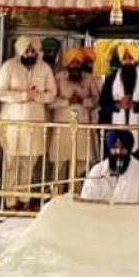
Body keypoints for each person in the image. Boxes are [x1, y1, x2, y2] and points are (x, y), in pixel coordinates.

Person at [0, 36, 57, 207]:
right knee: (11, 164)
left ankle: (25, 200)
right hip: (12, 124)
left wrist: (37, 96)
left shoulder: (44, 68)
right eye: (27, 50)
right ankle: (9, 202)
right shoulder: (9, 66)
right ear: (21, 51)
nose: (31, 54)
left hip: (34, 123)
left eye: (33, 51)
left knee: (29, 164)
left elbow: (52, 93)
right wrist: (23, 96)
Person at [49, 48, 101, 186]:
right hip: (62, 127)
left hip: (83, 127)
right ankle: (57, 198)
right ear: (67, 64)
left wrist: (83, 101)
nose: (75, 66)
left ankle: (78, 197)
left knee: (82, 164)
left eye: (78, 63)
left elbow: (97, 100)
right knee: (59, 165)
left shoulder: (89, 79)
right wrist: (67, 102)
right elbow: (49, 101)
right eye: (72, 63)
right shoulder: (58, 78)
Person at [99, 43, 139, 150]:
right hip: (116, 124)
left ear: (136, 60)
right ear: (121, 60)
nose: (127, 61)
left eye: (130, 58)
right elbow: (103, 102)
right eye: (124, 58)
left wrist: (136, 105)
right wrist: (118, 105)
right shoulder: (112, 78)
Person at [81, 129, 139, 204]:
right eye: (115, 147)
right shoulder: (97, 171)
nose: (118, 151)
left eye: (123, 148)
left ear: (129, 149)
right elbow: (87, 201)